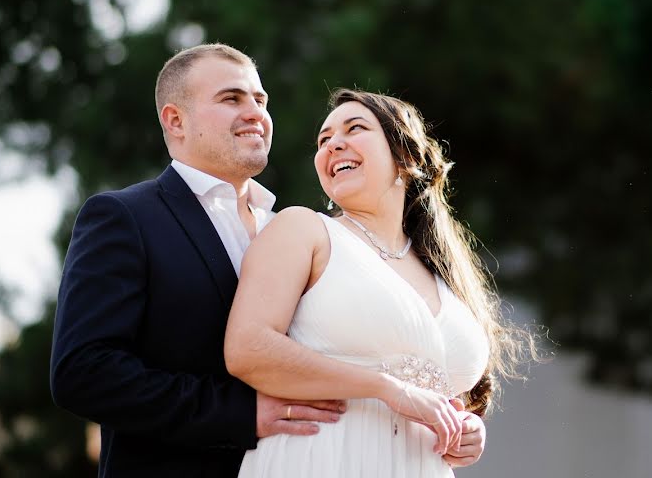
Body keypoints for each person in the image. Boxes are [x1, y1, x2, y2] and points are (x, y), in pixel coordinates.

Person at [49, 44, 347, 477]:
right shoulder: (124, 217)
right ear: (175, 120)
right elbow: (83, 372)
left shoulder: (295, 230)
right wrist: (239, 415)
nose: (255, 114)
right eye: (232, 99)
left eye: (260, 100)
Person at [225, 88, 528, 477]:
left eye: (355, 128)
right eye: (323, 139)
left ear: (404, 157)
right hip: (322, 460)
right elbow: (247, 349)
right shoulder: (304, 229)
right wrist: (386, 389)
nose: (334, 144)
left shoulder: (442, 268)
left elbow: (450, 393)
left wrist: (467, 429)